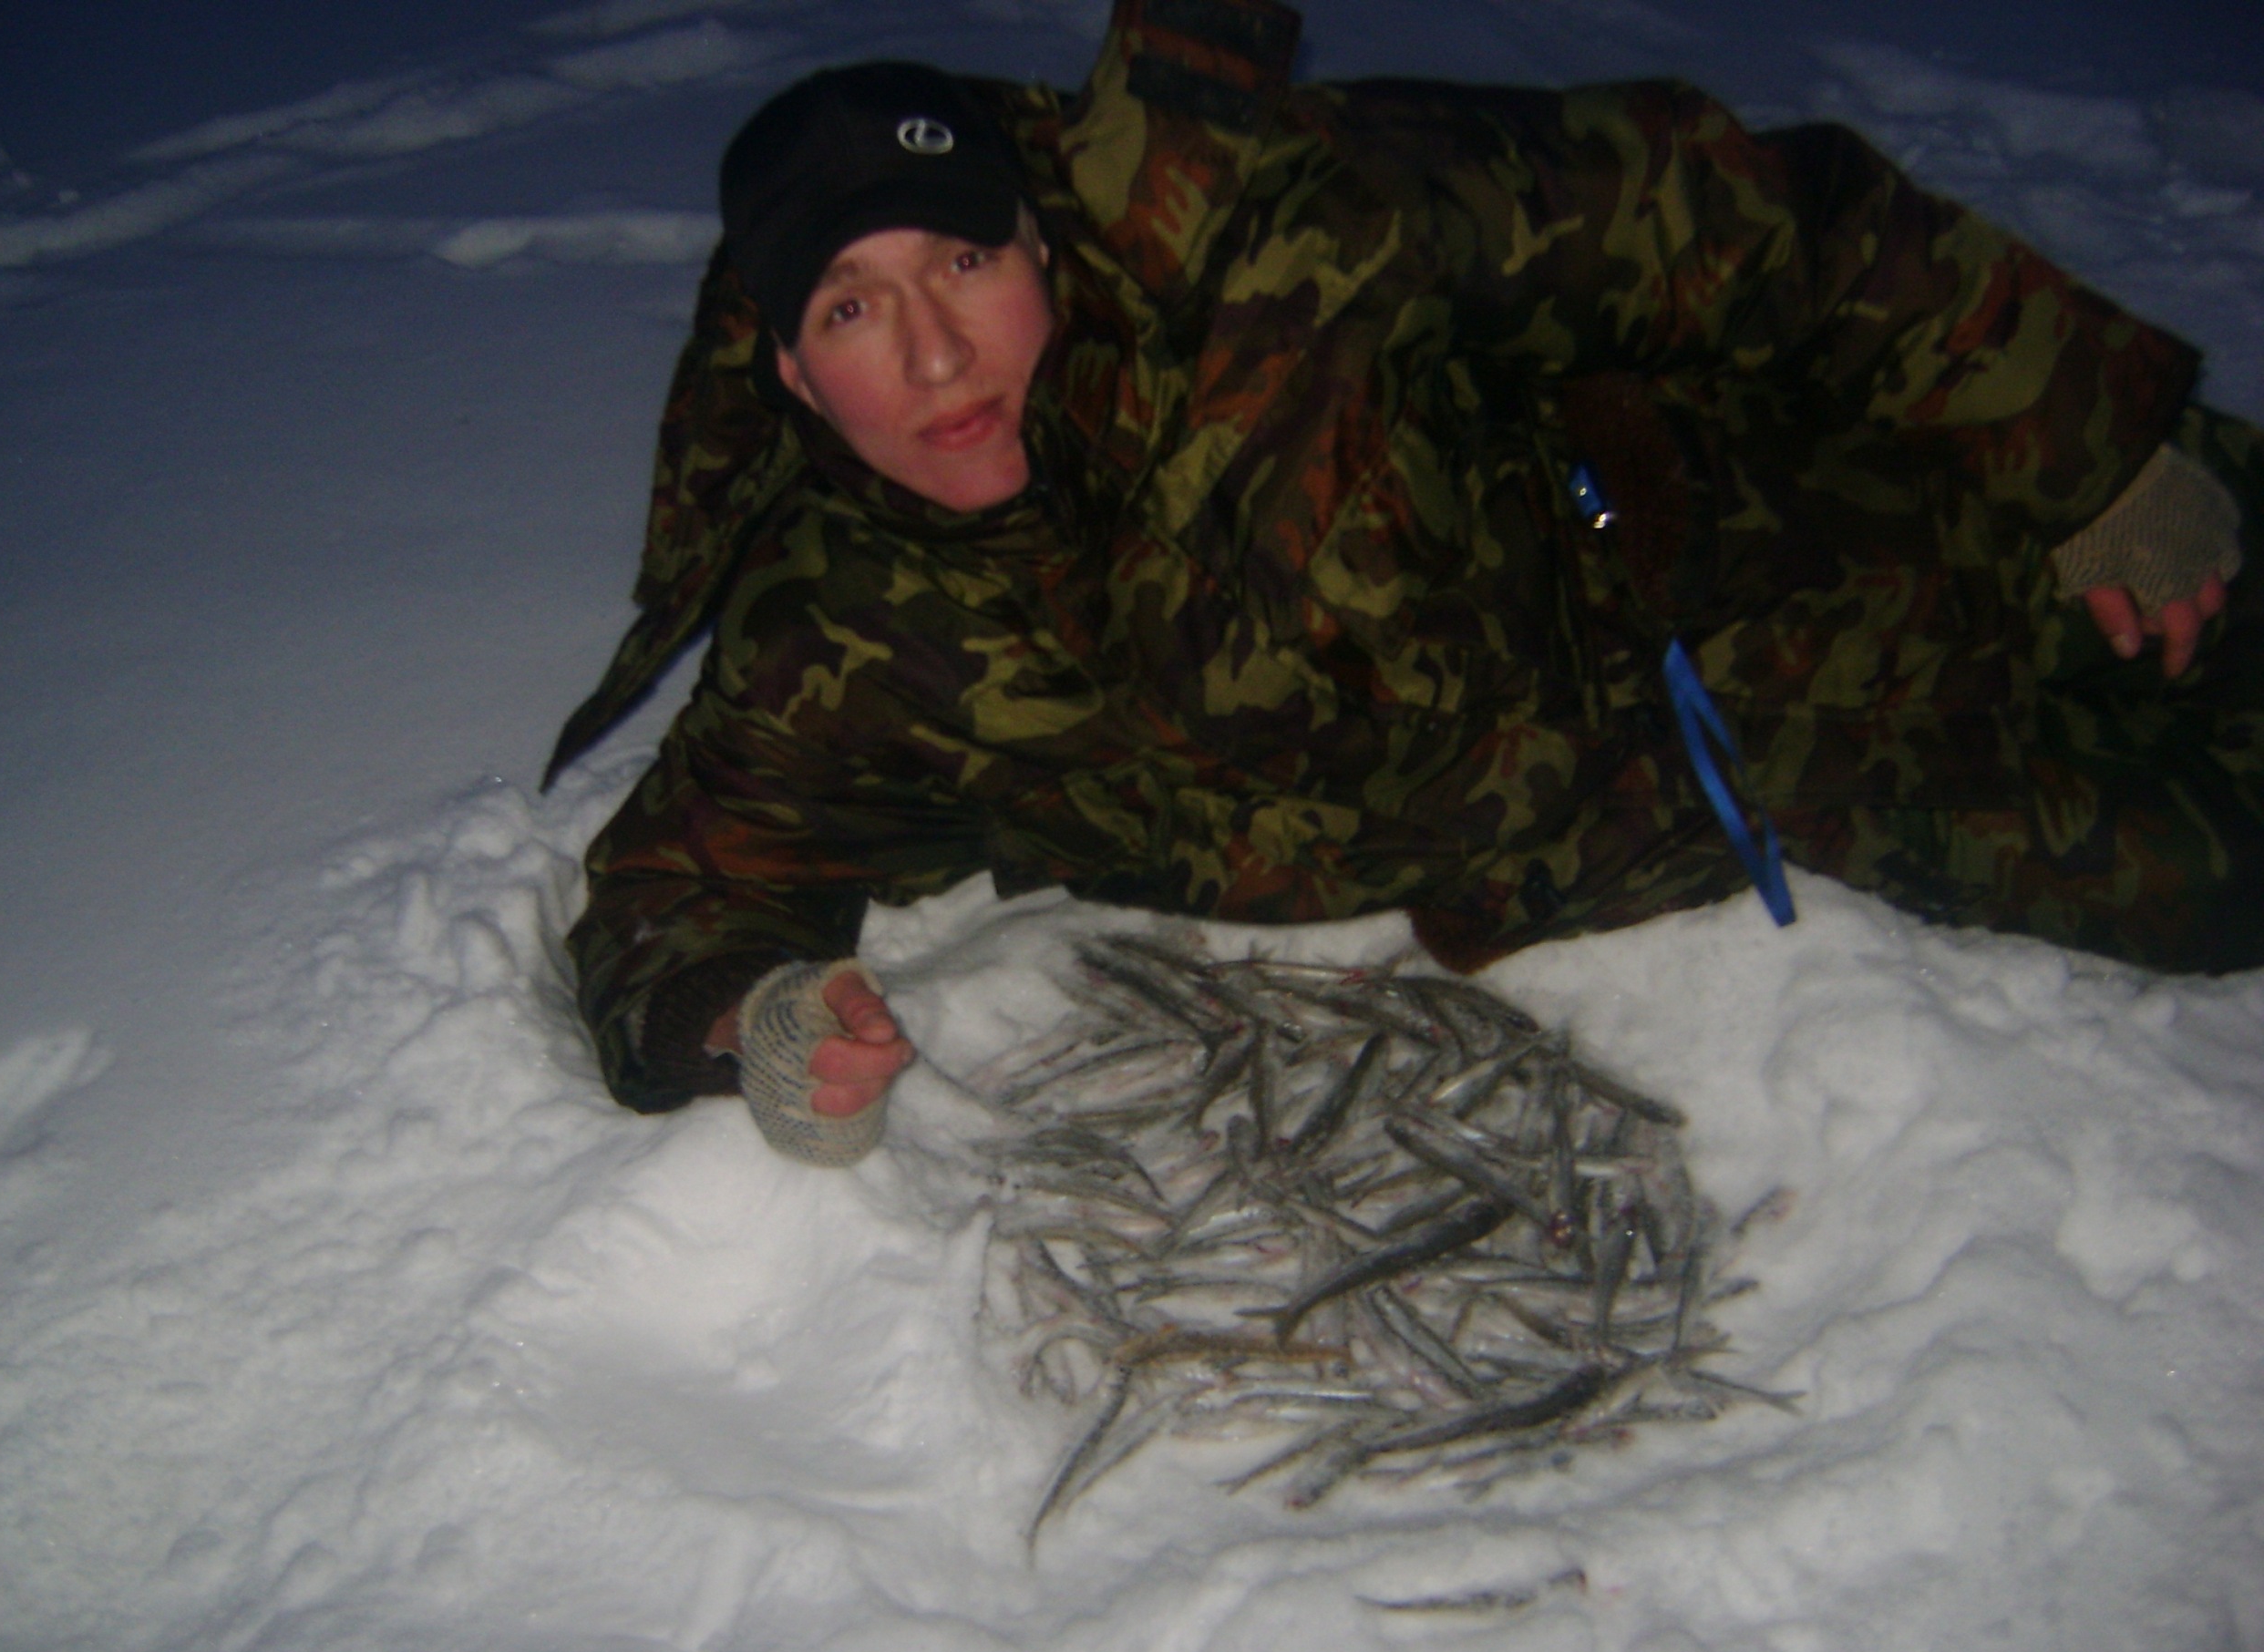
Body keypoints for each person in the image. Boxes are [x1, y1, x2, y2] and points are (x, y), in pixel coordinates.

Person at [544, 0, 2258, 1161]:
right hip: (1775, 790)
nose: (935, 352)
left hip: (1849, 510)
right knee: (2215, 888)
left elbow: (1737, 215)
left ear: (1041, 247)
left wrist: (2094, 452)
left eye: (965, 258)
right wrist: (751, 1016)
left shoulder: (1287, 238)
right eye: (851, 307)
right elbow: (683, 880)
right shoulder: (854, 627)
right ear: (790, 375)